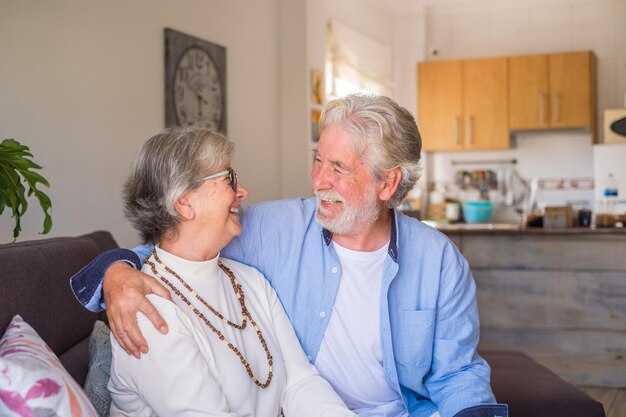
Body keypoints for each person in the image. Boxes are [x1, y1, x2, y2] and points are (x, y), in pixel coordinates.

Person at [71, 94, 507, 417]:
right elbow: (176, 245)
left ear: (387, 184)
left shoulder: (438, 260)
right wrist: (117, 271)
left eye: (338, 168)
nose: (318, 179)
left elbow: (457, 375)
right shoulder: (271, 231)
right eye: (318, 160)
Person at [102, 127, 355, 416]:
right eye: (228, 179)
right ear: (184, 202)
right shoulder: (147, 310)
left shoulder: (250, 280)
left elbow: (300, 381)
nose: (242, 192)